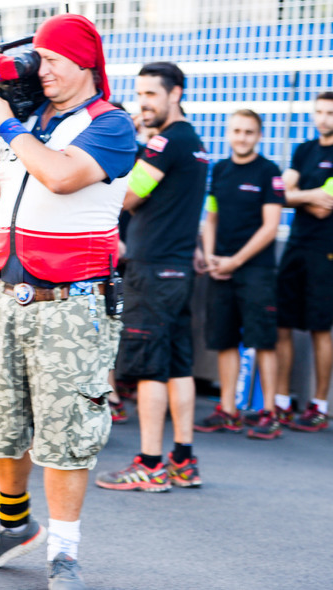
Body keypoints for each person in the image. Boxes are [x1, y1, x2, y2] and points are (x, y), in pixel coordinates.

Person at [0, 14, 136, 589]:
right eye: (40, 59)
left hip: (74, 303)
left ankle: (64, 550)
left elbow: (59, 177)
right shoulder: (29, 124)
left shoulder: (111, 125)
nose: (42, 70)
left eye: (52, 59)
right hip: (6, 293)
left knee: (66, 428)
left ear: (85, 63)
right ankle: (13, 522)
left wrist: (7, 128)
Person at [95, 61, 208, 494]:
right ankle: (183, 459)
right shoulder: (193, 142)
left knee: (149, 369)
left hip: (153, 270)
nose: (143, 104)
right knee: (179, 365)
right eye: (139, 95)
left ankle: (150, 463)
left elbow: (128, 195)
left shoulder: (165, 144)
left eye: (150, 95)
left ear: (174, 93)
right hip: (176, 269)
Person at [193, 110, 284, 439]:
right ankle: (229, 410)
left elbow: (271, 226)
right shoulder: (219, 170)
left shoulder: (269, 171)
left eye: (248, 132)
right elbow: (212, 216)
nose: (242, 137)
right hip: (222, 270)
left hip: (256, 270)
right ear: (228, 133)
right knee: (225, 340)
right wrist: (212, 255)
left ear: (258, 136)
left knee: (263, 341)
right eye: (236, 131)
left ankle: (269, 413)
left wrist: (236, 260)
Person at [274, 91, 333, 432]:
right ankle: (281, 402)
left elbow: (329, 205)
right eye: (320, 112)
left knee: (319, 328)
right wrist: (310, 196)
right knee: (283, 324)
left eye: (329, 112)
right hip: (295, 247)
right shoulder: (305, 149)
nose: (323, 118)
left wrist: (299, 198)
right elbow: (283, 193)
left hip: (325, 251)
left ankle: (319, 406)